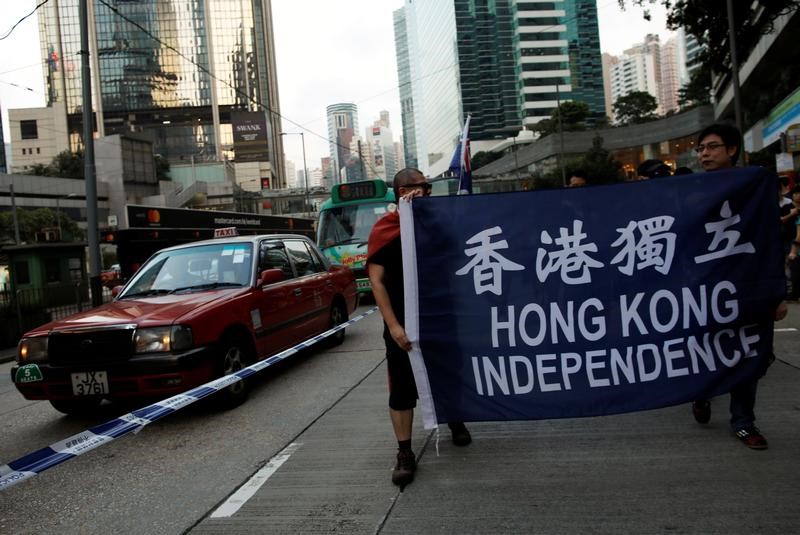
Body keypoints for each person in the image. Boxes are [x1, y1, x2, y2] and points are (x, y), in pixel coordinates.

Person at [367, 168, 472, 488]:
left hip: (439, 316)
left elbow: (458, 252)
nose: (422, 193)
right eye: (414, 188)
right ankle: (404, 452)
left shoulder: (436, 223)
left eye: (426, 188)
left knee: (448, 372)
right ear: (399, 192)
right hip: (402, 322)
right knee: (401, 387)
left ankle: (455, 419)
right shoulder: (385, 228)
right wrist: (394, 325)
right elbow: (376, 281)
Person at [691, 123, 788, 449]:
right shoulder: (688, 191)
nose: (705, 153)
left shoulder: (753, 187)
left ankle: (744, 421)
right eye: (701, 148)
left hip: (747, 287)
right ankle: (700, 392)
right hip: (704, 290)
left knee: (749, 351)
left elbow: (769, 240)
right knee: (706, 350)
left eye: (712, 146)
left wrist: (778, 292)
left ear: (732, 150)